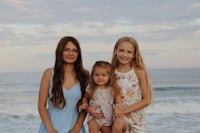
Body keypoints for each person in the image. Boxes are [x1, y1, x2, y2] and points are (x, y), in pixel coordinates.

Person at [38, 36, 90, 133]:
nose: (71, 53)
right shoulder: (49, 73)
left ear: (78, 54)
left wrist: (77, 128)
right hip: (51, 127)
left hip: (74, 128)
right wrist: (50, 129)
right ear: (60, 51)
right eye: (67, 50)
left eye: (75, 51)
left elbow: (86, 105)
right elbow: (41, 105)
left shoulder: (85, 75)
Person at [111, 36, 152, 133]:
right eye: (121, 50)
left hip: (136, 118)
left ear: (134, 54)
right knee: (118, 123)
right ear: (115, 51)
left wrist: (125, 110)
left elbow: (146, 100)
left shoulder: (138, 72)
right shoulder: (111, 72)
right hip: (118, 116)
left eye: (129, 52)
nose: (125, 55)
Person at [79, 61, 122, 133]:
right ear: (92, 76)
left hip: (107, 118)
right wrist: (84, 104)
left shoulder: (112, 89)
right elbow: (85, 98)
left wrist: (118, 108)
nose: (100, 77)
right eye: (97, 75)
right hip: (94, 117)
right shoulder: (91, 88)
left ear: (109, 76)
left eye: (104, 75)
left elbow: (118, 100)